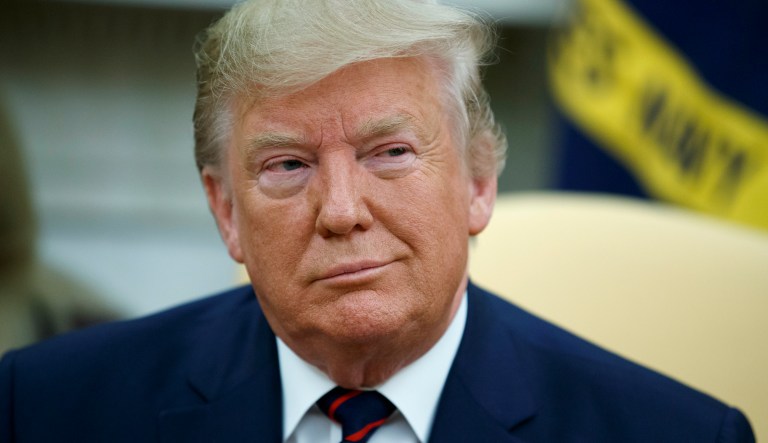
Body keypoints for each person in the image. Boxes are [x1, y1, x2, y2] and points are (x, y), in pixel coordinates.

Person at [0, 0, 755, 441]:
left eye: (390, 153)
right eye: (287, 165)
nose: (341, 211)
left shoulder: (676, 436)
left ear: (478, 183)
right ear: (226, 210)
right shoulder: (44, 411)